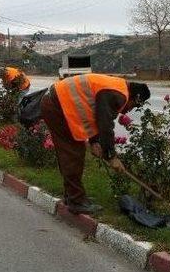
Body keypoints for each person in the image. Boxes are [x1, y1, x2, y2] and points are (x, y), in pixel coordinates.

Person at [40, 74, 150, 214]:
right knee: (73, 153)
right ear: (135, 98)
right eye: (133, 106)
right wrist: (111, 156)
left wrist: (94, 142)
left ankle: (72, 196)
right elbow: (105, 125)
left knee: (70, 152)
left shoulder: (117, 87)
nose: (128, 110)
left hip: (56, 102)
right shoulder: (118, 95)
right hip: (57, 105)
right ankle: (76, 201)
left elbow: (93, 115)